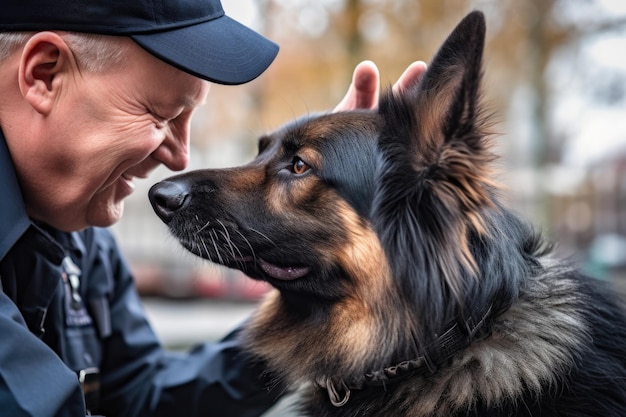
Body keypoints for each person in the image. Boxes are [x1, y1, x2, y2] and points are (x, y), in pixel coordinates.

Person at [0, 1, 426, 416]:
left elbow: (144, 394)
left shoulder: (77, 236)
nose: (179, 157)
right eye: (160, 115)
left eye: (189, 118)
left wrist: (314, 320)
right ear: (44, 75)